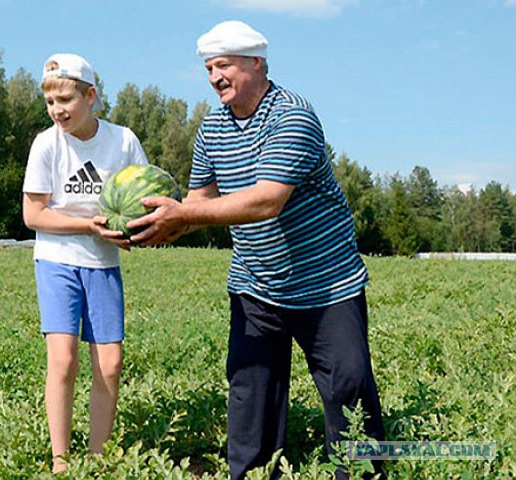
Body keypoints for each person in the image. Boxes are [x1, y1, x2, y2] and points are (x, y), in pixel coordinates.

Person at [127, 21, 386, 480]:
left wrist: (182, 216)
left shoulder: (292, 116)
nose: (214, 77)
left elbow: (267, 200)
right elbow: (198, 203)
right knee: (250, 395)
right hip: (255, 283)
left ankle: (364, 475)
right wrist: (148, 227)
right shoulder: (211, 128)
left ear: (257, 63)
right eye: (209, 68)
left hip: (326, 284)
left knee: (348, 391)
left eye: (223, 65)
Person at [22, 53, 147, 473]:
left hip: (104, 265)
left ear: (91, 96)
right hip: (56, 260)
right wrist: (87, 227)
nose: (57, 110)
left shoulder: (123, 141)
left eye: (66, 100)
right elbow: (33, 215)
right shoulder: (46, 144)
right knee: (63, 360)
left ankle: (98, 459)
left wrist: (138, 230)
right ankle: (61, 462)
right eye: (50, 102)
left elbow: (146, 200)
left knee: (110, 363)